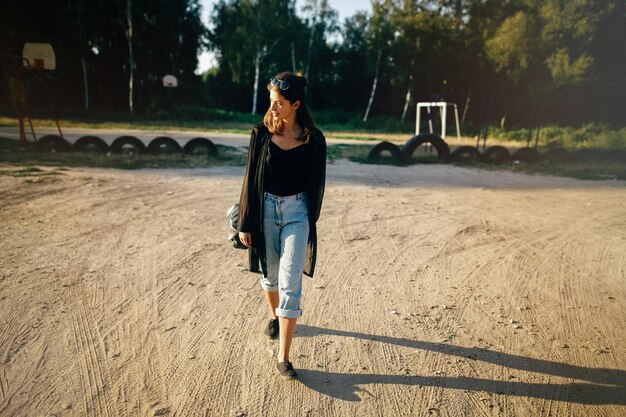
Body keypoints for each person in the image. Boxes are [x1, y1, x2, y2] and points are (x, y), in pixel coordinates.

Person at [237, 71, 326, 380]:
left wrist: (307, 221)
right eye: (271, 101)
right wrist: (245, 223)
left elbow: (317, 185)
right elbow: (250, 180)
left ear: (296, 104)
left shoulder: (314, 139)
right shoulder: (260, 133)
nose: (272, 108)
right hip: (264, 210)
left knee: (290, 282)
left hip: (297, 212)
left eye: (279, 103)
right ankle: (274, 317)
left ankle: (284, 357)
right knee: (270, 274)